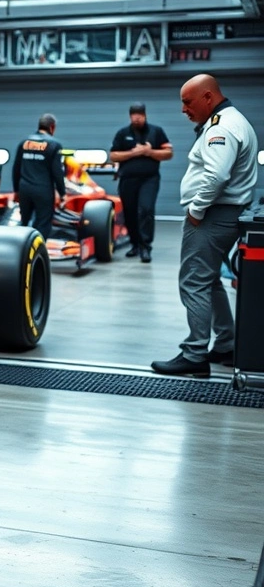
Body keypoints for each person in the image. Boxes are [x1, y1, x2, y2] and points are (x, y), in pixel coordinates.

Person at [152, 74, 258, 378]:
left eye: (188, 101)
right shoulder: (231, 120)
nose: (184, 109)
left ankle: (194, 353)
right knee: (209, 281)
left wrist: (196, 211)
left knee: (194, 282)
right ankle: (225, 344)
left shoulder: (221, 127)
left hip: (213, 216)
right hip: (224, 213)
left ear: (208, 97)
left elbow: (216, 176)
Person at [110, 102, 173, 263]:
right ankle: (135, 245)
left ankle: (146, 247)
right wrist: (133, 153)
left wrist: (149, 152)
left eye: (140, 115)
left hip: (149, 179)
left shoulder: (156, 132)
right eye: (134, 115)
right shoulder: (123, 133)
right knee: (130, 213)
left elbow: (168, 153)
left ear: (145, 115)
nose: (137, 118)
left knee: (146, 210)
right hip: (128, 179)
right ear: (130, 116)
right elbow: (113, 156)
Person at [12, 113, 66, 240]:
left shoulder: (24, 143)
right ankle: (38, 253)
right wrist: (62, 193)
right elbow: (57, 172)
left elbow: (16, 168)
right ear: (52, 127)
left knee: (24, 222)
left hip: (24, 189)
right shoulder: (54, 145)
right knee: (43, 223)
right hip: (43, 190)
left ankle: (22, 253)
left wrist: (16, 191)